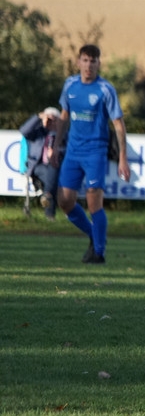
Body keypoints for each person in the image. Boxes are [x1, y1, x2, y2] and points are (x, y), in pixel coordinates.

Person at [52, 44, 130, 263]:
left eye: (93, 61)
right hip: (73, 152)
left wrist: (123, 158)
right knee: (64, 201)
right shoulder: (70, 85)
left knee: (94, 202)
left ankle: (99, 253)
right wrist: (56, 146)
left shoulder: (105, 89)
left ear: (98, 64)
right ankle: (93, 235)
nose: (88, 65)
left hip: (95, 152)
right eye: (85, 60)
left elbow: (118, 124)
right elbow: (64, 117)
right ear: (78, 62)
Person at [19, 107, 62, 219]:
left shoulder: (62, 134)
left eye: (53, 120)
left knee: (53, 171)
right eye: (48, 119)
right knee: (51, 177)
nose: (50, 122)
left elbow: (69, 148)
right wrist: (38, 117)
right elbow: (23, 131)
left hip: (56, 165)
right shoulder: (37, 132)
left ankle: (47, 197)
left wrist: (57, 151)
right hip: (38, 165)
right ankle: (50, 213)